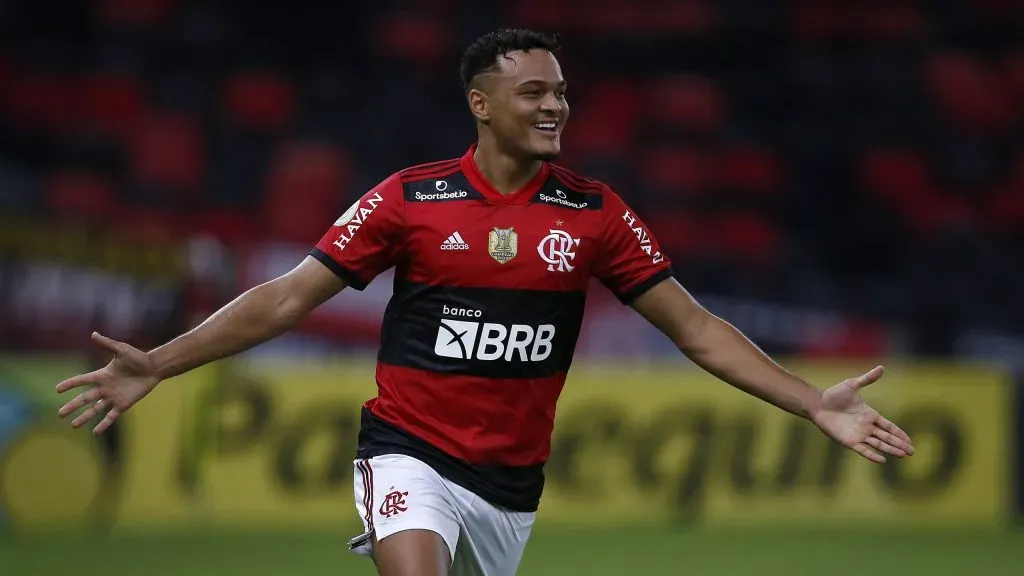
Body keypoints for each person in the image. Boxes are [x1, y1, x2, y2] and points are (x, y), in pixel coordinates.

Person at [56, 28, 915, 576]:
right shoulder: (409, 200)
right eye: (535, 93)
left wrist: (814, 405)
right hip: (407, 452)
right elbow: (286, 300)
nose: (556, 106)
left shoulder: (594, 214)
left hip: (509, 486)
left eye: (562, 93)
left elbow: (694, 330)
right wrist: (160, 363)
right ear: (481, 105)